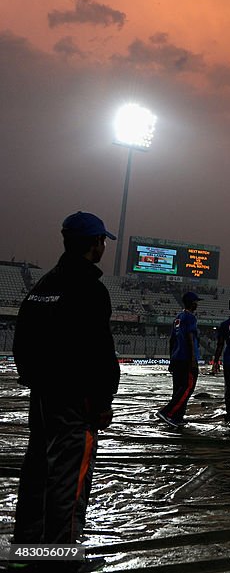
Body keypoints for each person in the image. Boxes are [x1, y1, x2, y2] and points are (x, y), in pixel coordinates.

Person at [11, 211, 121, 551]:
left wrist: (38, 382)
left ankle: (25, 552)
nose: (104, 246)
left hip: (42, 399)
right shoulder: (90, 289)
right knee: (68, 483)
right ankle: (57, 558)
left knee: (36, 475)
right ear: (95, 244)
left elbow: (21, 344)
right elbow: (100, 353)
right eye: (102, 240)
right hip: (76, 403)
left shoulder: (42, 287)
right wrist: (103, 402)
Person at [156, 291, 202, 427]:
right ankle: (167, 413)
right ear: (192, 303)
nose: (197, 305)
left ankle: (177, 417)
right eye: (196, 302)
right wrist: (193, 358)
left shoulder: (178, 318)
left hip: (176, 358)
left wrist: (171, 360)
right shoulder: (190, 318)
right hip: (186, 358)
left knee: (178, 389)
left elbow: (172, 340)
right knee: (188, 387)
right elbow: (189, 337)